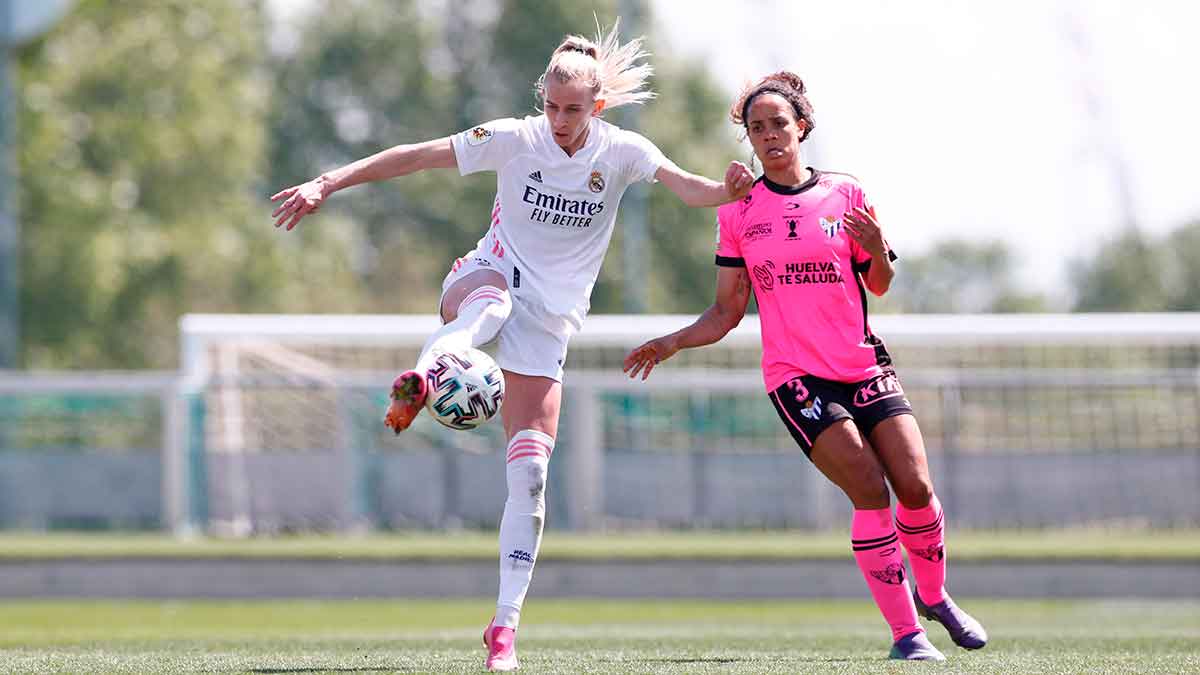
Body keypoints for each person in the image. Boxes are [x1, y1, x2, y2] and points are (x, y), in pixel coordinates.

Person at [270, 23, 754, 672]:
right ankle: (424, 374)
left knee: (530, 476)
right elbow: (415, 156)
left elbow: (688, 186)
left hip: (549, 323)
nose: (559, 120)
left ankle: (504, 628)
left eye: (573, 109)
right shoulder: (516, 138)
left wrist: (727, 191)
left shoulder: (622, 151)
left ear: (597, 106)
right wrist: (327, 183)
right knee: (491, 305)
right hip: (487, 274)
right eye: (551, 106)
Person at [622, 71, 987, 662]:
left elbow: (879, 283)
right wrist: (671, 342)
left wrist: (878, 246)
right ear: (749, 137)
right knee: (869, 488)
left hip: (863, 365)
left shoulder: (845, 193)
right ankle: (906, 634)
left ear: (802, 127)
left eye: (778, 124)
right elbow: (726, 310)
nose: (769, 135)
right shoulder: (739, 210)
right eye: (756, 128)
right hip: (797, 376)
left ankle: (935, 597)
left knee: (917, 487)